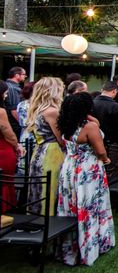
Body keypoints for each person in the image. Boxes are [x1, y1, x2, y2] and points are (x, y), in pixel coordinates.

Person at [57, 92, 115, 266]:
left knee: (71, 207)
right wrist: (105, 160)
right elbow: (100, 150)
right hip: (87, 170)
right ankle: (90, 246)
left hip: (69, 168)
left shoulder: (66, 124)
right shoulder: (89, 127)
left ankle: (71, 247)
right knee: (89, 206)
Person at [26, 77, 65, 215]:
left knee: (38, 189)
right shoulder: (52, 111)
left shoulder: (35, 109)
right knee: (50, 189)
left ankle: (36, 218)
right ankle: (48, 220)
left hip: (39, 150)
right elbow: (61, 138)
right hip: (52, 153)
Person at [0, 81, 24, 213]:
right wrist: (17, 145)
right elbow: (8, 133)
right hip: (3, 150)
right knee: (5, 181)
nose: (6, 96)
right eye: (5, 93)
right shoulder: (1, 112)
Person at [93, 81, 118, 145]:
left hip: (92, 139)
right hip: (110, 142)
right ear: (114, 91)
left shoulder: (91, 103)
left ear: (101, 90)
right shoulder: (116, 107)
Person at [15, 81, 34, 176]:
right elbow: (26, 122)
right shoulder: (27, 105)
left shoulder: (22, 104)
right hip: (31, 135)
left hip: (28, 135)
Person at [5, 66, 27, 138]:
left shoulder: (10, 86)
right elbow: (14, 110)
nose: (25, 76)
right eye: (24, 74)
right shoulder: (12, 88)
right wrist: (22, 124)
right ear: (17, 75)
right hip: (14, 124)